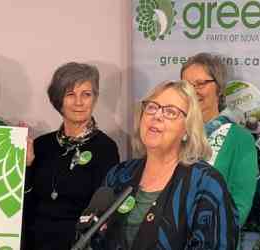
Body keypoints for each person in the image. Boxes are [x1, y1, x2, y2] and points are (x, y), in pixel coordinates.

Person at [93, 80, 238, 250]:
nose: (157, 116)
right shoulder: (119, 175)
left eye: (170, 112)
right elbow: (91, 238)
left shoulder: (206, 184)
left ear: (187, 130)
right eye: (152, 107)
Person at [22, 62, 120, 250]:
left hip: (78, 244)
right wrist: (27, 166)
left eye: (86, 94)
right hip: (34, 242)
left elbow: (102, 213)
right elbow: (26, 204)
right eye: (70, 95)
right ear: (58, 100)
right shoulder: (41, 145)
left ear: (95, 99)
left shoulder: (105, 148)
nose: (79, 102)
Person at [181, 52, 258, 226]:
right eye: (186, 85)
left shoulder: (240, 138)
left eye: (200, 84)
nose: (192, 91)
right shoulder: (175, 133)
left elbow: (240, 205)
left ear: (219, 87)